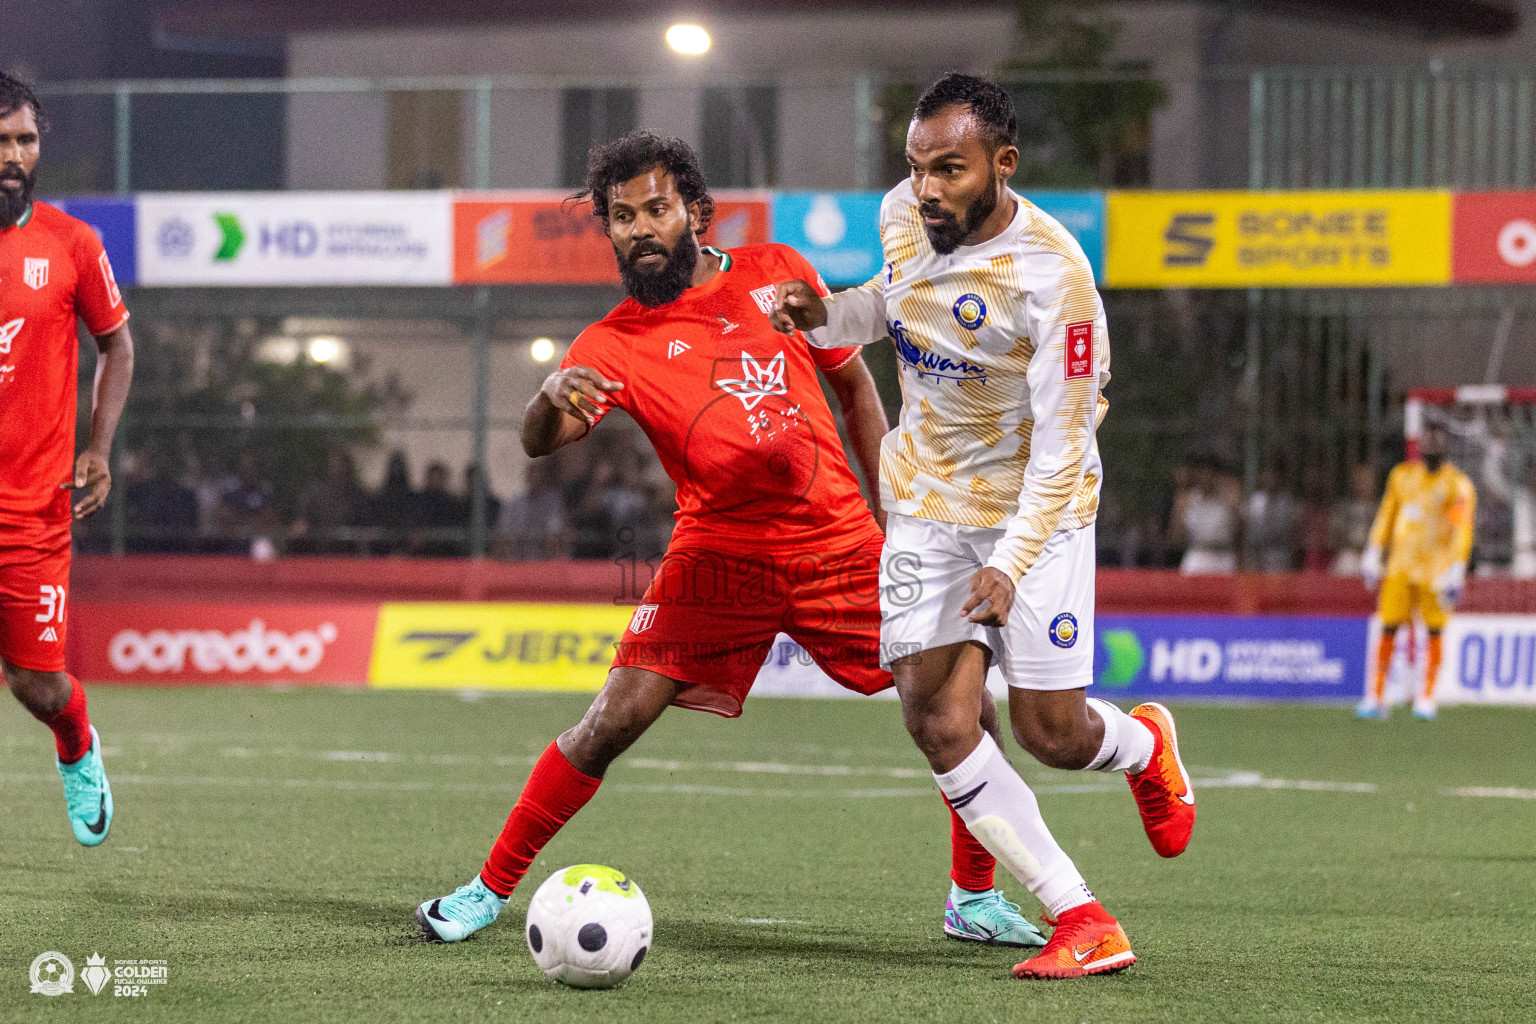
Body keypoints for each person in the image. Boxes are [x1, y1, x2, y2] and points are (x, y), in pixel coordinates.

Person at [415, 131, 1041, 951]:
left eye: (656, 209)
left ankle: (975, 896)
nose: (639, 229)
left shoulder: (777, 269)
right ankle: (485, 891)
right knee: (611, 719)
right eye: (621, 217)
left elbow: (854, 385)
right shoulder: (609, 343)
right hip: (718, 555)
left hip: (838, 543)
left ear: (695, 213)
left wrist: (897, 514)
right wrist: (544, 396)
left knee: (966, 707)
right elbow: (542, 442)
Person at [772, 73, 1196, 980]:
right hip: (926, 499)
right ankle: (1081, 914)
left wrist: (1008, 563)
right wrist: (826, 316)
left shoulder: (1059, 285)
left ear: (1003, 165)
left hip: (1033, 516)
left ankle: (1141, 745)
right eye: (918, 167)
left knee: (1052, 734)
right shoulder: (902, 214)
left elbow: (1062, 448)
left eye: (950, 171)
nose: (927, 190)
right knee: (934, 717)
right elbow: (894, 303)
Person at [0, 73, 133, 845]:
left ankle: (76, 742)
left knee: (37, 683)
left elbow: (116, 343)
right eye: (3, 141)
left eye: (27, 139)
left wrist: (99, 447)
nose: (16, 155)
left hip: (32, 510)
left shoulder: (71, 243)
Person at [1358, 423, 1476, 721]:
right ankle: (1376, 695)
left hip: (1435, 571)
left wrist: (1457, 566)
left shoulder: (1457, 485)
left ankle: (1426, 697)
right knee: (1388, 627)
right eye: (1428, 445)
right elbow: (1387, 513)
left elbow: (1461, 528)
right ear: (1419, 448)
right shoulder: (1402, 477)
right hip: (1400, 566)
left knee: (1434, 631)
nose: (1431, 451)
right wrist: (1374, 549)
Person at [1329, 464, 1378, 577]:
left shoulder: (1381, 508)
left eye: (1367, 480)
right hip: (1349, 553)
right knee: (1345, 562)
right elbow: (1334, 535)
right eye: (1360, 479)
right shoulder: (1343, 507)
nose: (1363, 484)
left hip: (1371, 553)